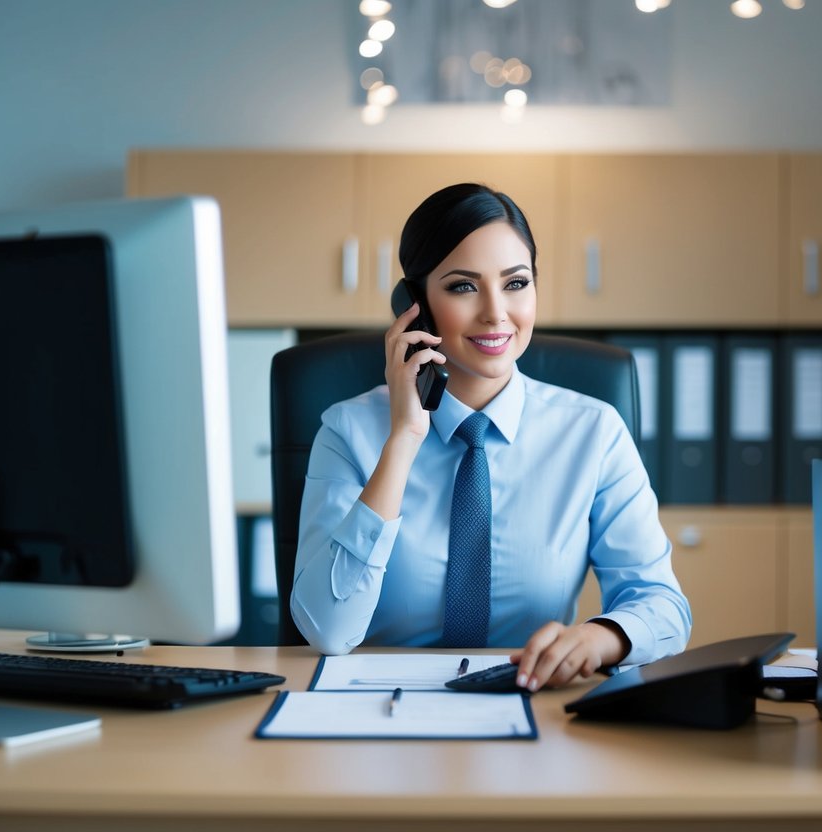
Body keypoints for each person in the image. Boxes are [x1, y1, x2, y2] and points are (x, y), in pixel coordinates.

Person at [291, 182, 691, 690]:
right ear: (415, 305)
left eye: (516, 283)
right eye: (463, 286)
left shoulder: (593, 432)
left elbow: (663, 605)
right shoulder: (349, 431)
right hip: (381, 714)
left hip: (530, 705)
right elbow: (327, 630)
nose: (496, 312)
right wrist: (404, 438)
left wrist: (601, 637)